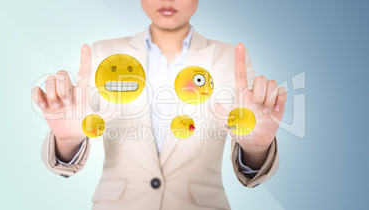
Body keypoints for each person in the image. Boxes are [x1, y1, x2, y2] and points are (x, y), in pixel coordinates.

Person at [31, 0, 287, 209]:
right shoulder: (105, 55)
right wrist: (66, 141)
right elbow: (78, 130)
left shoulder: (230, 58)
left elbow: (249, 141)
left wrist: (257, 148)